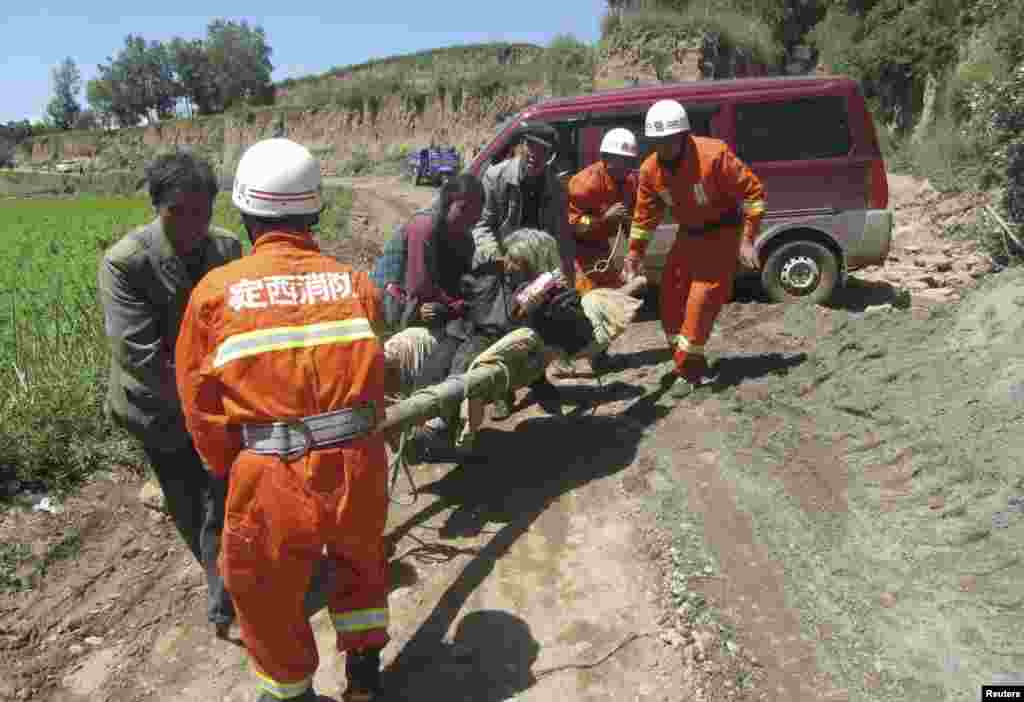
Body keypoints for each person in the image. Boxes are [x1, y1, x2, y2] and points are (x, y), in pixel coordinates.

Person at [175, 138, 391, 702]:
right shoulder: (355, 284)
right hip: (358, 461)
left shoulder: (215, 295)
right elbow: (376, 379)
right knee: (361, 563)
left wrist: (232, 465)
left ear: (245, 213)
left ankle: (292, 693)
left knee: (266, 595)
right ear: (315, 211)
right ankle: (365, 677)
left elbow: (200, 404)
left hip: (271, 471)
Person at [98, 150, 241, 639]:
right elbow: (139, 355)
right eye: (178, 211)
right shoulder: (126, 264)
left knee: (221, 496)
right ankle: (219, 584)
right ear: (157, 206)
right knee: (187, 499)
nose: (191, 224)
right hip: (157, 407)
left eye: (202, 211)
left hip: (217, 401)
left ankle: (226, 596)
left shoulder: (226, 250)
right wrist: (204, 402)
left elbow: (240, 327)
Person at [624, 99, 765, 399]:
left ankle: (687, 372)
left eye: (668, 141)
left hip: (723, 234)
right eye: (657, 142)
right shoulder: (650, 171)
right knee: (670, 297)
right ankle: (687, 362)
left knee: (700, 301)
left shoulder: (714, 155)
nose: (663, 148)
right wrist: (634, 253)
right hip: (688, 235)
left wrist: (748, 240)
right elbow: (644, 218)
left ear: (683, 136)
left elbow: (754, 194)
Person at [471, 120, 574, 418]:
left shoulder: (555, 186)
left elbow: (560, 233)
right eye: (530, 146)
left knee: (538, 324)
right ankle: (503, 390)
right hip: (504, 262)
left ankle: (538, 381)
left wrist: (564, 272)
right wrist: (496, 257)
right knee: (502, 327)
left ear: (550, 155)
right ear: (521, 145)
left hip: (536, 266)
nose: (534, 154)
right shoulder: (496, 176)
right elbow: (482, 224)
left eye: (542, 150)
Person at [567, 127, 643, 374]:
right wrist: (603, 219)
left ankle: (599, 356)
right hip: (577, 252)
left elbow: (631, 219)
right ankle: (562, 359)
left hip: (600, 249)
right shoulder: (584, 184)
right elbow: (574, 224)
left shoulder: (629, 183)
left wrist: (634, 252)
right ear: (606, 159)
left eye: (629, 162)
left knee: (610, 300)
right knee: (582, 305)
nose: (625, 167)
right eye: (620, 161)